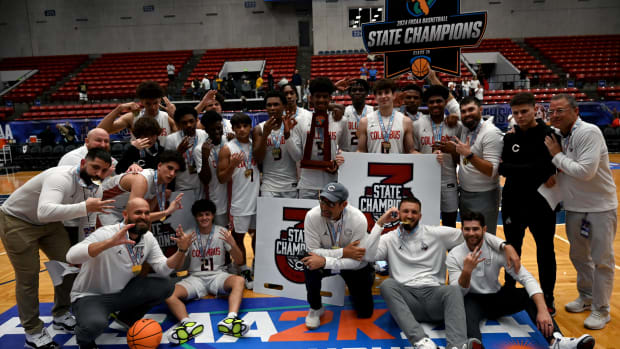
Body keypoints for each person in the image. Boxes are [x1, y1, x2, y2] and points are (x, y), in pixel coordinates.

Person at [368, 197, 518, 349]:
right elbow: (368, 256)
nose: (410, 215)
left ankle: (457, 345)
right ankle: (421, 342)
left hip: (435, 299)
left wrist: (504, 245)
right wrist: (380, 224)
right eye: (405, 211)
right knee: (387, 285)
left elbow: (473, 235)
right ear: (399, 214)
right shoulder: (389, 239)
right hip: (408, 302)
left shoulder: (436, 234)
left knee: (453, 289)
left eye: (414, 212)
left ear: (420, 216)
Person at [0, 148, 115, 349]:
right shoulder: (60, 177)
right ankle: (33, 332)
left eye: (103, 171)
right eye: (95, 167)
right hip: (17, 220)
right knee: (29, 277)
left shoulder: (96, 188)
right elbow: (44, 211)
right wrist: (86, 207)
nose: (98, 174)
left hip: (50, 224)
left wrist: (84, 248)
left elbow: (87, 222)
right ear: (82, 164)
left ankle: (61, 314)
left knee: (70, 264)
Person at [446, 211, 595, 349]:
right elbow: (456, 294)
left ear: (484, 230)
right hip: (471, 300)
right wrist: (466, 272)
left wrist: (543, 310)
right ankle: (474, 344)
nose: (471, 233)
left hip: (496, 297)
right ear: (462, 230)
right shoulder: (454, 255)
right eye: (467, 229)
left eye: (475, 229)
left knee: (527, 295)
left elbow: (526, 278)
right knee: (462, 306)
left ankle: (556, 340)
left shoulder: (498, 251)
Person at [67, 198, 193, 349]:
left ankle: (126, 319)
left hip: (122, 293)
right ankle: (84, 341)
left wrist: (182, 251)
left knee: (166, 285)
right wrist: (109, 243)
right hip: (91, 296)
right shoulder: (107, 233)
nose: (143, 216)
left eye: (147, 213)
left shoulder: (147, 238)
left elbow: (163, 269)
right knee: (95, 324)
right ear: (126, 214)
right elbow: (71, 256)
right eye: (138, 212)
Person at [544, 93, 618, 330]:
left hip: (599, 208)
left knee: (602, 261)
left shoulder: (589, 132)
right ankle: (586, 297)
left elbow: (585, 171)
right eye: (551, 111)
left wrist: (556, 156)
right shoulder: (557, 136)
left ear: (576, 111)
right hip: (575, 208)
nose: (554, 115)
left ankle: (602, 309)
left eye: (560, 110)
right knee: (579, 257)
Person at [500, 92, 559, 315]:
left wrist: (525, 168)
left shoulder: (549, 135)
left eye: (524, 111)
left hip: (541, 204)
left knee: (546, 250)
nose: (520, 116)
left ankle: (549, 297)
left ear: (535, 109)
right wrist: (537, 169)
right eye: (515, 113)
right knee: (512, 248)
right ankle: (508, 289)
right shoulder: (509, 137)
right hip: (513, 202)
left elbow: (548, 167)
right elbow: (504, 169)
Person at [166, 200, 248, 344]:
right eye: (200, 215)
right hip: (195, 278)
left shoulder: (222, 232)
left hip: (218, 276)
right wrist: (182, 249)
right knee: (168, 294)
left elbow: (240, 261)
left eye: (207, 214)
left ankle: (231, 319)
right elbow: (178, 268)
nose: (204, 218)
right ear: (195, 217)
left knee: (239, 281)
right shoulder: (188, 235)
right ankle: (188, 323)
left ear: (213, 215)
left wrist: (234, 244)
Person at [301, 182, 375, 329]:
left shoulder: (358, 219)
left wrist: (325, 261)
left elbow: (356, 261)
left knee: (365, 313)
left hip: (352, 266)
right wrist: (343, 252)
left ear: (344, 204)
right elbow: (313, 251)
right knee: (309, 263)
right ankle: (316, 308)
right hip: (337, 259)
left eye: (331, 204)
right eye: (322, 201)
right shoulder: (312, 216)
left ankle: (367, 278)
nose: (324, 207)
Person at [283, 77, 347, 199]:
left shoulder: (340, 120)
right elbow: (297, 156)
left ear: (330, 98)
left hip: (332, 183)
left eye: (325, 97)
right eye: (318, 96)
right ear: (311, 98)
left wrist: (338, 162)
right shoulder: (301, 121)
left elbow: (346, 150)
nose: (321, 100)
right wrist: (287, 136)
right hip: (307, 184)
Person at [450, 96, 503, 235]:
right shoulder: (466, 126)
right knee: (468, 238)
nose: (467, 114)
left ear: (480, 110)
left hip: (485, 195)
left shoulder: (491, 133)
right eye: (464, 111)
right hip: (465, 193)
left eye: (471, 110)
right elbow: (450, 101)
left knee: (484, 239)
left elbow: (492, 170)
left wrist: (469, 155)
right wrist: (431, 76)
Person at [217, 112, 259, 288]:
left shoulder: (254, 145)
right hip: (239, 201)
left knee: (258, 235)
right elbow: (221, 178)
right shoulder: (227, 148)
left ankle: (258, 265)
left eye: (245, 126)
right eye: (238, 127)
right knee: (239, 237)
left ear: (250, 127)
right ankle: (243, 268)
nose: (242, 130)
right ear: (233, 128)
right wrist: (233, 165)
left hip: (257, 199)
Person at [413, 85, 463, 227]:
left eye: (439, 101)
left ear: (445, 103)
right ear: (427, 104)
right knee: (426, 224)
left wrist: (452, 150)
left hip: (449, 179)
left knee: (449, 224)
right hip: (425, 180)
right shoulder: (417, 125)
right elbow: (411, 153)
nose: (435, 105)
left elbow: (463, 159)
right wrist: (428, 157)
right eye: (431, 102)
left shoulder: (455, 125)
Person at [58, 128, 117, 245]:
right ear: (87, 141)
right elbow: (82, 188)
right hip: (70, 219)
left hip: (90, 216)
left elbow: (121, 173)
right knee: (73, 257)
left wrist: (133, 167)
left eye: (106, 141)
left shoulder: (106, 159)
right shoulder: (73, 158)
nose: (103, 144)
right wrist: (103, 176)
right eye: (98, 140)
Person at [100, 150, 185, 226]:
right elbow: (135, 217)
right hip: (103, 207)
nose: (172, 174)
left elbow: (148, 213)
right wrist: (168, 211)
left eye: (176, 171)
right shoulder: (142, 180)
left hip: (121, 212)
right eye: (170, 168)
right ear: (159, 165)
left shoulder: (162, 183)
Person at [165, 106, 208, 229]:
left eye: (191, 121)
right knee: (184, 227)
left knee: (203, 226)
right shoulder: (171, 139)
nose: (188, 125)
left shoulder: (204, 135)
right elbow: (167, 166)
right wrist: (178, 153)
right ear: (178, 124)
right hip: (182, 188)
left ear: (196, 120)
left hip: (202, 187)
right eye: (184, 123)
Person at [97, 81, 176, 145]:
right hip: (139, 161)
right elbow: (100, 131)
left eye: (155, 103)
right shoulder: (132, 117)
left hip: (162, 162)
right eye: (148, 104)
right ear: (141, 101)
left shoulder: (167, 118)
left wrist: (174, 115)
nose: (153, 107)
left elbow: (183, 137)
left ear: (160, 100)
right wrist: (119, 108)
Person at [254, 91, 298, 198]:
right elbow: (258, 159)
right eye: (269, 105)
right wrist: (265, 135)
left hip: (290, 184)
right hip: (269, 186)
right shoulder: (259, 129)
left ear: (284, 106)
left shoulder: (294, 125)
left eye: (276, 104)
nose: (272, 108)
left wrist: (288, 135)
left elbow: (298, 157)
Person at [357, 78, 416, 154]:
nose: (383, 96)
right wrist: (345, 158)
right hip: (373, 165)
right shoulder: (365, 122)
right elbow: (361, 151)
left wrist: (432, 157)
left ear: (394, 95)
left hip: (396, 165)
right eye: (380, 93)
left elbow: (410, 151)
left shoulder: (405, 121)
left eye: (387, 92)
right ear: (375, 97)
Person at [195, 111, 230, 227]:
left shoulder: (229, 141)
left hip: (233, 196)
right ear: (206, 131)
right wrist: (205, 158)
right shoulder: (200, 149)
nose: (217, 132)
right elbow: (205, 180)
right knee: (221, 232)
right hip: (216, 199)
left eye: (219, 128)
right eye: (212, 130)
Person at [342, 79, 371, 152]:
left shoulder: (373, 111)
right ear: (349, 93)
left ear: (367, 93)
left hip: (368, 156)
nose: (357, 92)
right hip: (348, 156)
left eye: (361, 90)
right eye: (354, 90)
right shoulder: (344, 112)